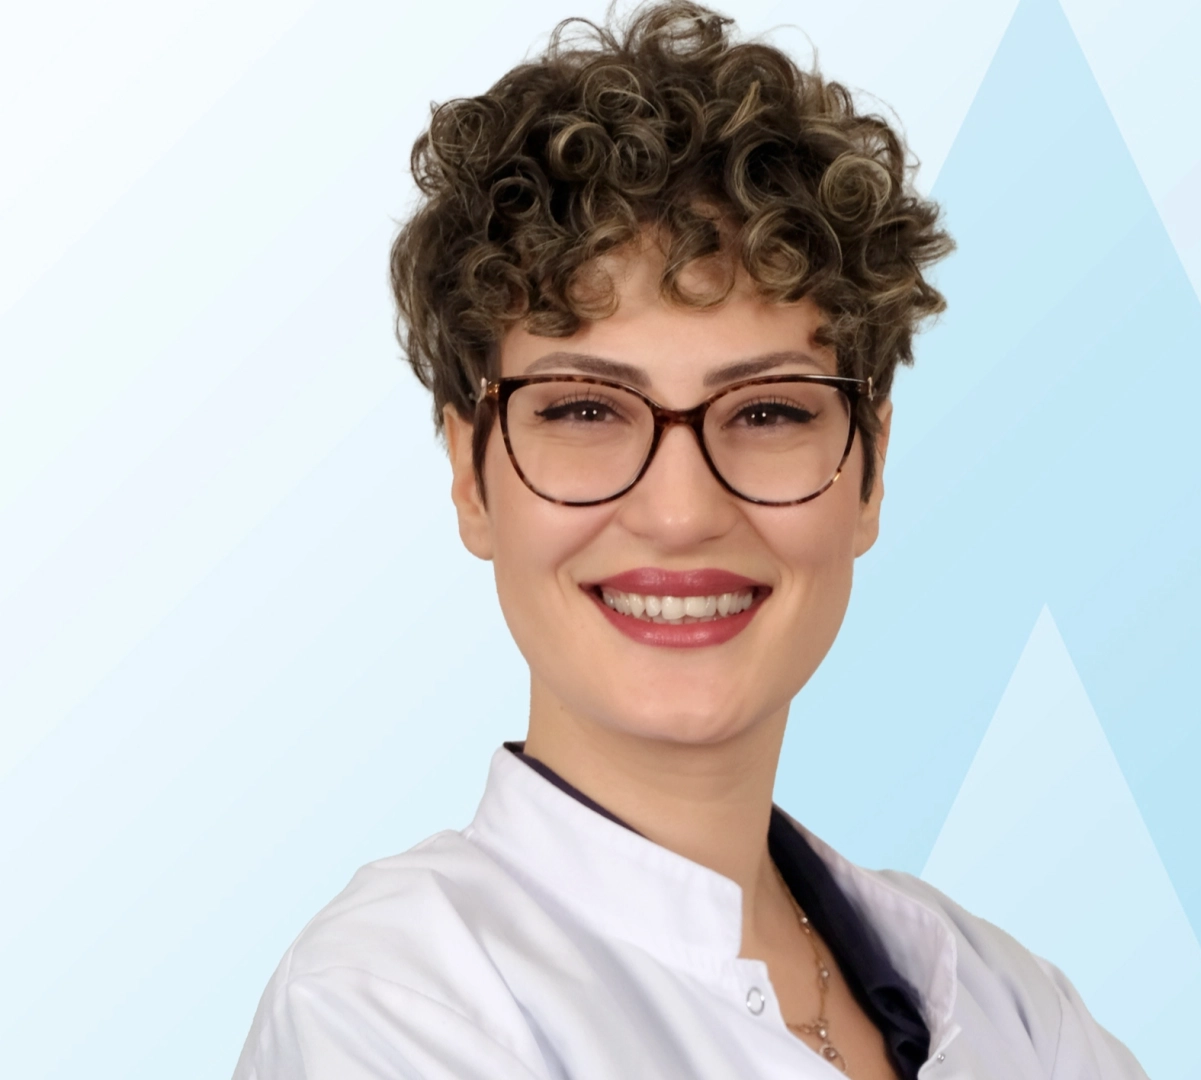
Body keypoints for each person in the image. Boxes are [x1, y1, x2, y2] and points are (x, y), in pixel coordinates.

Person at [233, 3, 1148, 1077]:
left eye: (768, 412)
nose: (679, 512)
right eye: (584, 410)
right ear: (471, 476)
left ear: (869, 470)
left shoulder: (1008, 1005)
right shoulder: (391, 1003)